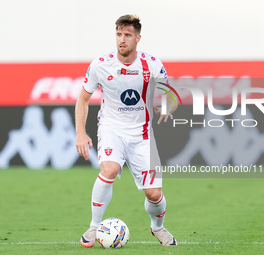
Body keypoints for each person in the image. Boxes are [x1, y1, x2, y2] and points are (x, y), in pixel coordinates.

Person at [75, 14, 178, 247]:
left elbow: (168, 95)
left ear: (137, 38)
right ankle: (94, 226)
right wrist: (80, 133)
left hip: (141, 135)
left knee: (154, 194)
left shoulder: (151, 64)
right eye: (119, 34)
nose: (122, 40)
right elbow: (82, 99)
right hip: (112, 128)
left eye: (128, 35)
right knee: (109, 170)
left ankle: (158, 228)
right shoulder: (101, 64)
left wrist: (165, 105)